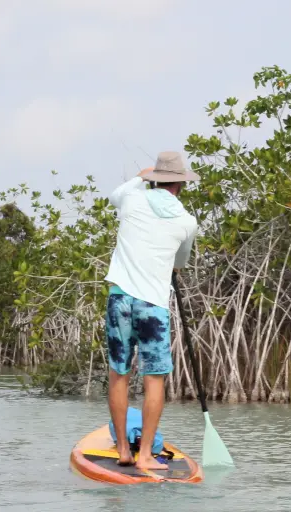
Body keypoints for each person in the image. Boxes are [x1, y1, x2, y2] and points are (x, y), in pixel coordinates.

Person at [104, 151, 199, 470]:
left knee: (119, 373)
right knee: (154, 379)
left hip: (120, 299)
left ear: (154, 179)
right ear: (180, 186)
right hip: (152, 305)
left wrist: (139, 176)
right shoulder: (187, 222)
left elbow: (115, 195)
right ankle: (145, 454)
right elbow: (180, 262)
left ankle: (122, 450)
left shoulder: (132, 199)